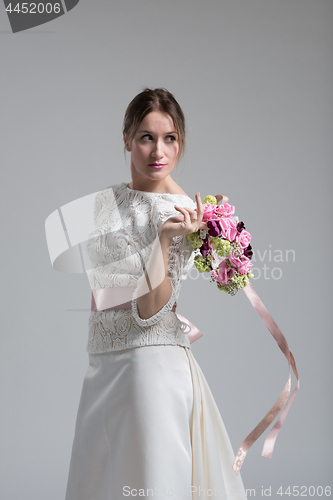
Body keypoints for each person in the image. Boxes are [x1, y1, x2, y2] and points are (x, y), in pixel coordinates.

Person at [56, 87, 248, 499]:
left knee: (150, 482)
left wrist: (163, 239)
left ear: (181, 143)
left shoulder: (180, 216)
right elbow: (104, 292)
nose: (158, 151)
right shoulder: (107, 202)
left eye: (170, 138)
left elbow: (147, 310)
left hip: (150, 370)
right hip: (103, 367)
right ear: (126, 139)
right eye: (146, 137)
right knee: (98, 483)